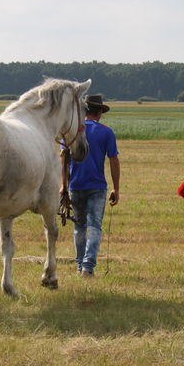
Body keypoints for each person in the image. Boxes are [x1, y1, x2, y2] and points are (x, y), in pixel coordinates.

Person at [61, 94, 120, 277]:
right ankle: (88, 267)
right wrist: (116, 188)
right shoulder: (106, 132)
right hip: (97, 186)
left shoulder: (71, 131)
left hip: (75, 185)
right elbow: (113, 160)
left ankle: (80, 266)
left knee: (79, 227)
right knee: (94, 226)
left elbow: (63, 158)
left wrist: (63, 185)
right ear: (101, 111)